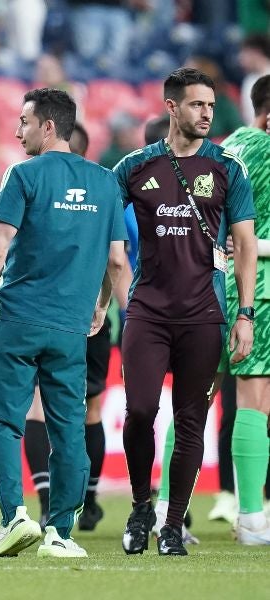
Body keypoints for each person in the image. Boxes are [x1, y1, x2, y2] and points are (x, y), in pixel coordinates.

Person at [0, 87, 128, 559]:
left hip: (19, 319)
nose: (17, 131)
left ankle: (14, 519)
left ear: (48, 126)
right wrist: (102, 305)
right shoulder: (106, 182)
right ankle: (61, 534)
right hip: (72, 326)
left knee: (6, 423)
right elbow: (117, 260)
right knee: (68, 427)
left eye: (25, 122)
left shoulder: (23, 175)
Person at [115, 68, 256, 557]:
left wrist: (246, 314)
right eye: (197, 105)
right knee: (138, 411)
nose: (206, 114)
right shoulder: (134, 167)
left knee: (191, 419)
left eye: (211, 107)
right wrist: (99, 295)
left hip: (205, 313)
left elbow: (244, 243)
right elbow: (105, 234)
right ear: (171, 107)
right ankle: (139, 506)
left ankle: (172, 524)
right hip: (148, 311)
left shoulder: (227, 168)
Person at [220, 74, 270, 545]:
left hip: (212, 285)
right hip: (258, 290)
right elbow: (250, 238)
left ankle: (164, 511)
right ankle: (253, 518)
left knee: (198, 398)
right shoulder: (267, 151)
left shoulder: (226, 146)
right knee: (255, 398)